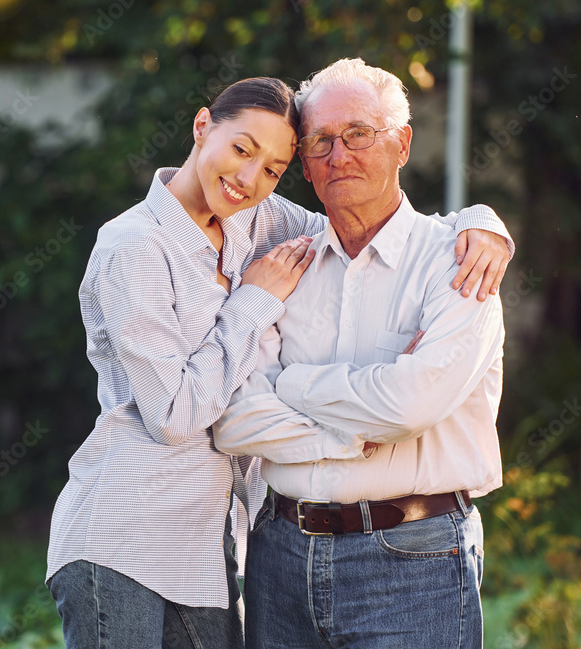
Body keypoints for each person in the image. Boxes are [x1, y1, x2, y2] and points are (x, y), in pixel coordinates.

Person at [46, 76, 512, 649]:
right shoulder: (134, 247)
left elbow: (365, 218)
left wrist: (483, 225)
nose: (248, 179)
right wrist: (255, 306)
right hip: (124, 535)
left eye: (271, 169)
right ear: (201, 126)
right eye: (242, 149)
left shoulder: (255, 223)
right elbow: (182, 416)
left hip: (208, 551)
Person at [213, 58, 506, 649]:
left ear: (401, 144)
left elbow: (408, 405)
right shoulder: (281, 265)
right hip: (279, 556)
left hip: (413, 560)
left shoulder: (459, 261)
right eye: (320, 140)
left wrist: (291, 384)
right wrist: (357, 418)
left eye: (358, 135)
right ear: (302, 163)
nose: (338, 155)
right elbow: (234, 415)